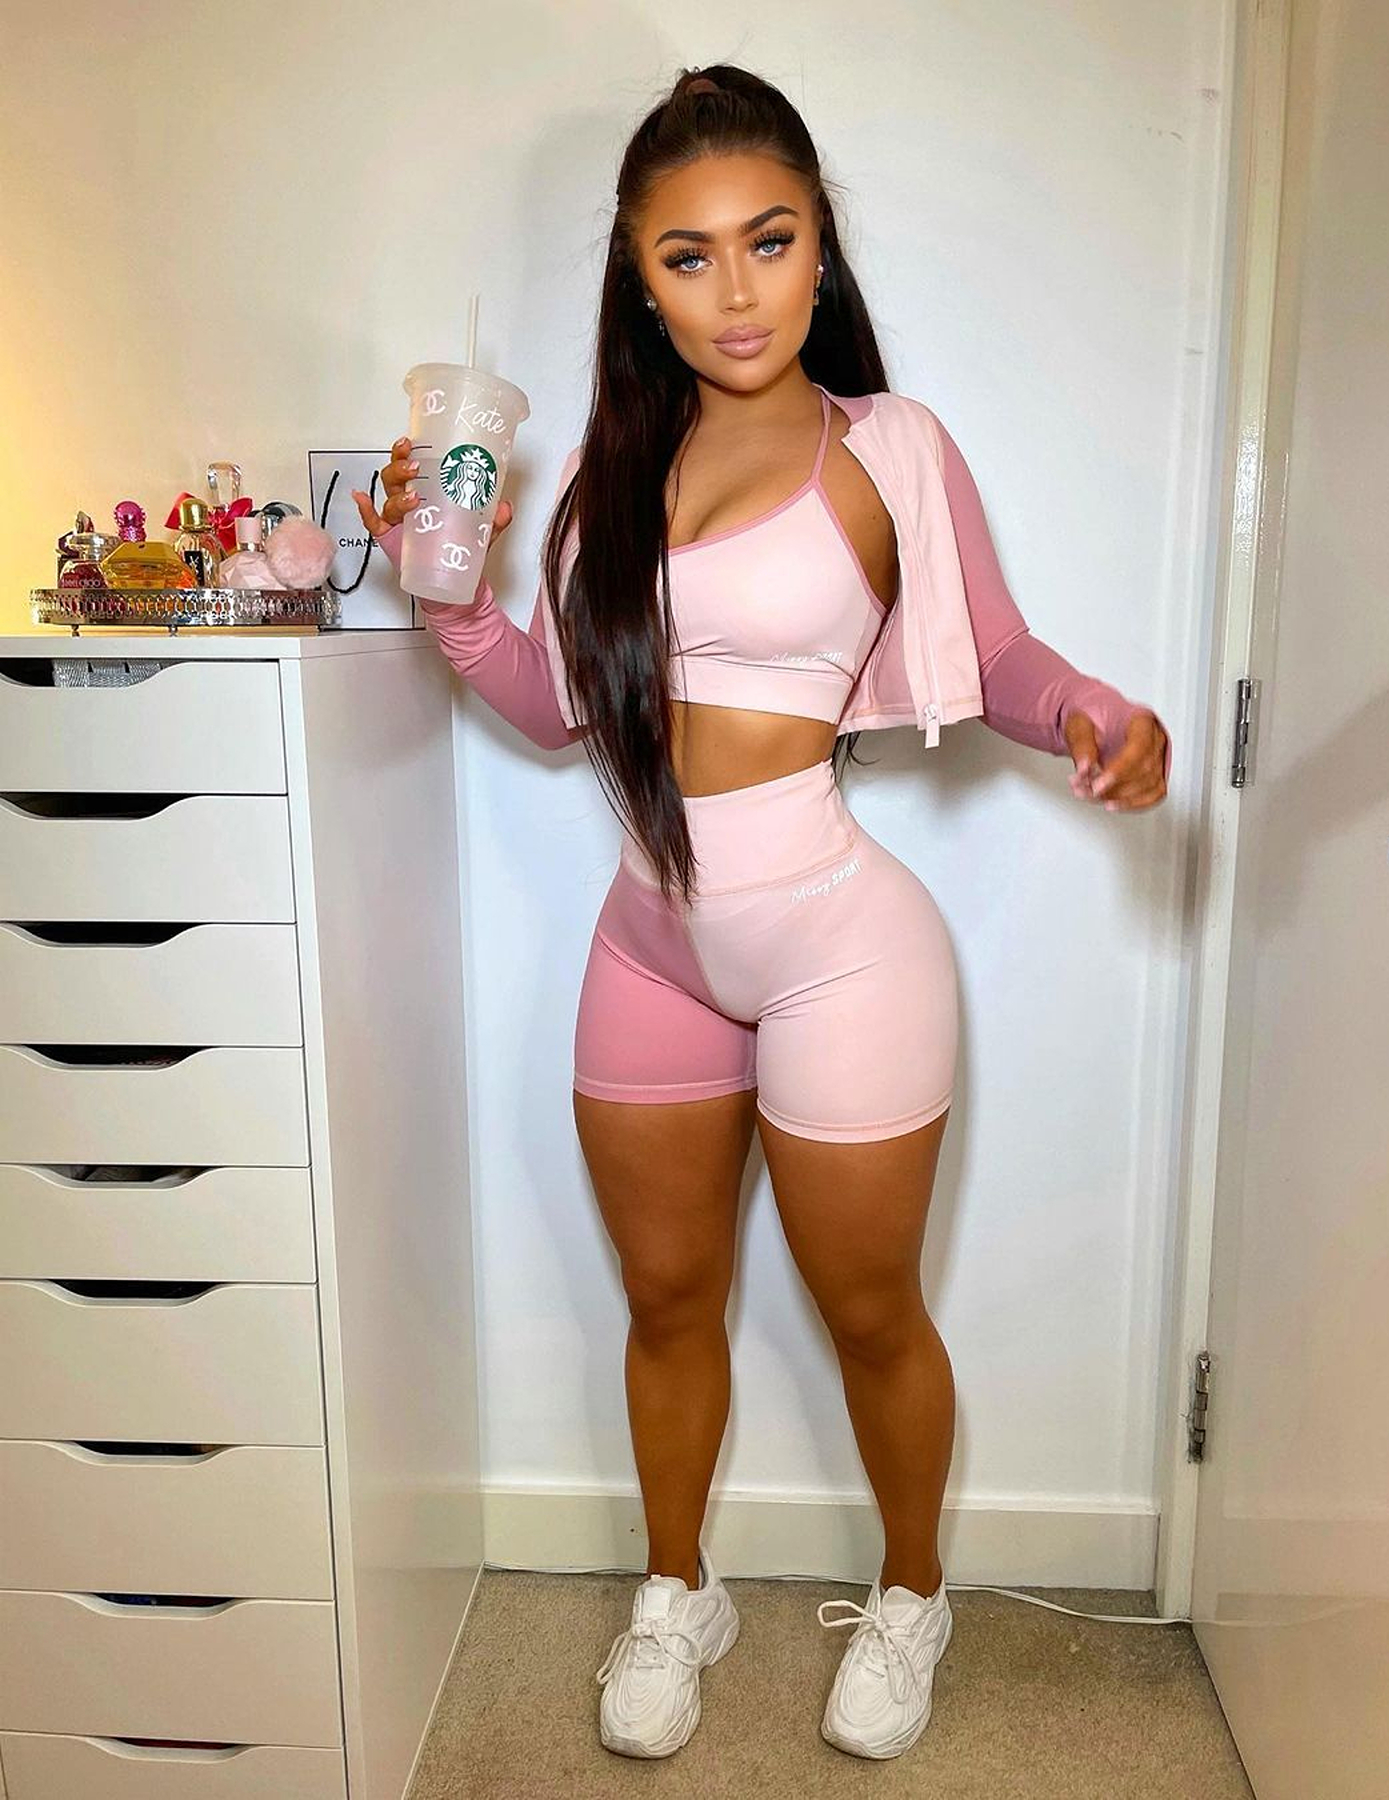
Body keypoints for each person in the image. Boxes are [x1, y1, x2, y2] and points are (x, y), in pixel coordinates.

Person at [356, 62, 1170, 1765]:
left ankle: (915, 1592)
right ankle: (680, 1591)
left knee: (870, 1312)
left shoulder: (888, 446)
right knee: (668, 1302)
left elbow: (1000, 653)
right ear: (640, 279)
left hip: (837, 951)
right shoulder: (610, 469)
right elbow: (558, 707)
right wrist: (448, 594)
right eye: (689, 255)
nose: (736, 291)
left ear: (819, 247)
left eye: (770, 240)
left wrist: (1097, 708)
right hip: (647, 945)